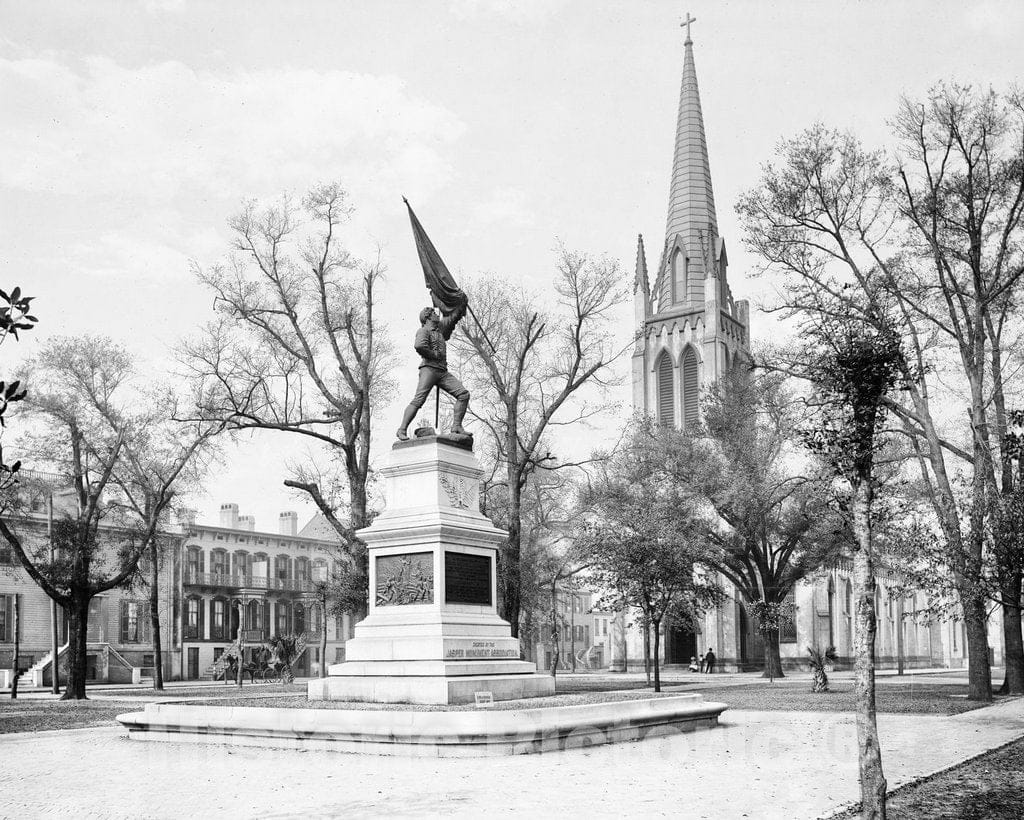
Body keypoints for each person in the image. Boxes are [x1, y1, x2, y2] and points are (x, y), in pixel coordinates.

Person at [396, 302, 471, 440]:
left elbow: (452, 317)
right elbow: (419, 346)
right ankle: (402, 429)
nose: (438, 314)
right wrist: (433, 354)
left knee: (463, 394)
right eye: (435, 314)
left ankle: (456, 426)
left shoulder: (440, 330)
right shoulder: (423, 331)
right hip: (429, 369)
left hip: (442, 372)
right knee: (419, 400)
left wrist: (459, 304)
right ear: (428, 317)